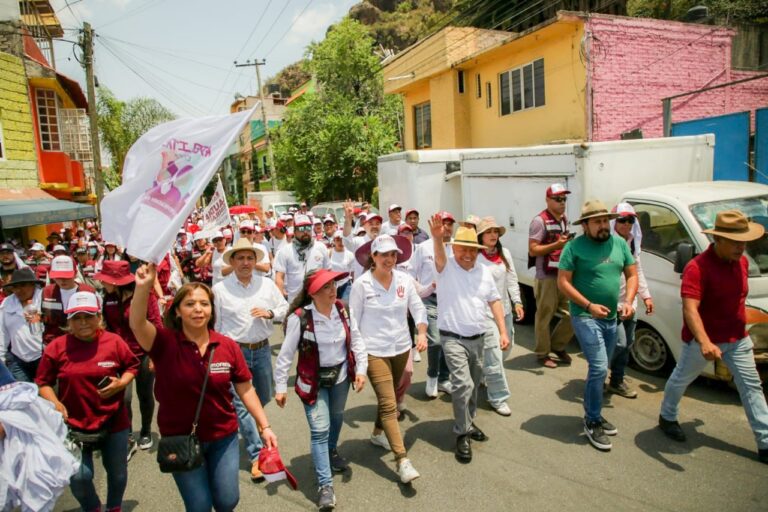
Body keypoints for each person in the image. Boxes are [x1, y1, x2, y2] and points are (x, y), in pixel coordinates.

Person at [129, 263, 278, 512]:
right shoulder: (163, 343)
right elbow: (137, 324)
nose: (198, 309)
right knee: (198, 506)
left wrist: (265, 426)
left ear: (212, 310)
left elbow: (246, 389)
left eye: (204, 304)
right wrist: (143, 288)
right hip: (179, 438)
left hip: (223, 437)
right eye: (189, 304)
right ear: (177, 311)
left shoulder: (227, 346)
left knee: (227, 501)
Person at [657, 210, 768, 464]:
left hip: (738, 340)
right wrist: (705, 341)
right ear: (718, 240)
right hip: (702, 341)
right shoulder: (697, 268)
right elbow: (690, 309)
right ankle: (667, 416)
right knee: (681, 379)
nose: (742, 247)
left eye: (744, 241)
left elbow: (737, 298)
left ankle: (765, 442)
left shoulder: (740, 261)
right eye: (736, 242)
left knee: (752, 388)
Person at [36, 291, 140, 512]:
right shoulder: (57, 347)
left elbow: (132, 366)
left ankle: (113, 507)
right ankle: (92, 507)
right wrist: (54, 402)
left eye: (88, 316)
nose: (83, 322)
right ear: (68, 321)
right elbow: (43, 382)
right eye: (76, 317)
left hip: (114, 420)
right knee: (79, 477)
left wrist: (122, 383)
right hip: (73, 423)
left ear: (98, 317)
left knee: (117, 473)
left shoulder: (114, 342)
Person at [275, 269, 367, 510]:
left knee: (336, 419)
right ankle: (325, 486)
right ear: (313, 293)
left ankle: (331, 451)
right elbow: (285, 355)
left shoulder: (344, 310)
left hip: (340, 378)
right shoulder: (300, 317)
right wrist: (280, 386)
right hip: (312, 382)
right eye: (326, 287)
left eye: (334, 285)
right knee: (319, 430)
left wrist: (361, 370)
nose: (333, 290)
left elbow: (356, 340)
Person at [557, 200, 637, 452]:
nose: (603, 226)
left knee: (602, 366)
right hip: (585, 315)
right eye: (597, 222)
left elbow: (632, 274)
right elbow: (563, 283)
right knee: (600, 367)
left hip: (612, 317)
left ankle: (595, 413)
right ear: (585, 225)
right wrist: (589, 305)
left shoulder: (620, 244)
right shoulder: (573, 247)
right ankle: (592, 421)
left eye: (605, 220)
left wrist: (629, 300)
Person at [428, 216, 509, 464]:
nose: (467, 254)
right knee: (463, 385)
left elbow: (494, 300)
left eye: (472, 249)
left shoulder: (483, 271)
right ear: (454, 248)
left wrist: (503, 330)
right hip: (453, 338)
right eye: (463, 248)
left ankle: (468, 422)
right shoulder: (445, 267)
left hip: (479, 338)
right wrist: (436, 237)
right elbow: (440, 256)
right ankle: (462, 434)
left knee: (473, 387)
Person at [349, 234, 427, 483]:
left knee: (390, 396)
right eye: (384, 255)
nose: (390, 259)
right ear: (373, 257)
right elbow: (353, 322)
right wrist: (360, 360)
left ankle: (377, 433)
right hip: (374, 351)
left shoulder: (404, 279)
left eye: (393, 254)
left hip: (402, 347)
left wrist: (422, 333)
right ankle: (402, 460)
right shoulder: (361, 285)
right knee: (389, 401)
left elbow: (417, 308)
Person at [212, 238, 288, 481]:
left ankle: (255, 426)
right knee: (243, 404)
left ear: (256, 261)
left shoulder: (266, 285)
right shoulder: (220, 290)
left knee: (263, 396)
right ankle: (257, 454)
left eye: (250, 258)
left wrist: (271, 313)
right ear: (232, 261)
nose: (245, 263)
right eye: (240, 258)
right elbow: (214, 324)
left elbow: (285, 307)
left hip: (263, 350)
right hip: (234, 352)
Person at [95, 260, 163, 458]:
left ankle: (145, 431)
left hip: (142, 353)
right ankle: (127, 437)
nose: (102, 283)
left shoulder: (144, 296)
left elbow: (156, 324)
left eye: (105, 280)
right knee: (123, 398)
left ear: (116, 282)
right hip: (118, 357)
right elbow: (106, 327)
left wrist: (155, 354)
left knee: (144, 395)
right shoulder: (106, 298)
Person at [476, 217, 524, 417]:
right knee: (494, 354)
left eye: (495, 231)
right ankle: (497, 397)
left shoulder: (505, 254)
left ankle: (484, 371)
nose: (493, 235)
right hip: (484, 313)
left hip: (504, 311)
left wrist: (517, 301)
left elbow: (512, 278)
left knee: (507, 348)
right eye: (489, 232)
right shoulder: (475, 257)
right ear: (480, 236)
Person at [608, 203, 654, 399]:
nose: (626, 224)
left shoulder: (633, 242)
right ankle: (598, 374)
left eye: (630, 220)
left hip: (630, 303)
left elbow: (637, 272)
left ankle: (617, 380)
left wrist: (646, 295)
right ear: (614, 222)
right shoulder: (607, 243)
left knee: (627, 344)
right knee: (618, 343)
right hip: (612, 304)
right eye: (622, 220)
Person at [528, 183, 575, 368]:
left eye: (564, 199)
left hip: (563, 274)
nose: (562, 202)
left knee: (572, 313)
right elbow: (533, 250)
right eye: (558, 199)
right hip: (546, 276)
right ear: (548, 200)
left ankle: (557, 345)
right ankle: (542, 353)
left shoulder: (564, 218)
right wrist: (556, 245)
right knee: (544, 316)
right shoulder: (539, 221)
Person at [410, 211, 455, 398]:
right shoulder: (424, 248)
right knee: (435, 340)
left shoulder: (456, 248)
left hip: (451, 300)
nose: (447, 227)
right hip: (429, 299)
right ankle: (432, 376)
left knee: (448, 341)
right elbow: (411, 273)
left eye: (450, 224)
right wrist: (420, 291)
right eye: (443, 223)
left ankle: (444, 379)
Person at [0, 269, 45, 382]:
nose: (19, 290)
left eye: (23, 285)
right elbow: (2, 332)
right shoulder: (7, 303)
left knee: (46, 394)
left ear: (33, 284)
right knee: (24, 395)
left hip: (43, 358)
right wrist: (1, 358)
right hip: (18, 360)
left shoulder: (44, 298)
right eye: (15, 287)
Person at [274, 214, 330, 303]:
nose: (305, 232)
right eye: (301, 229)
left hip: (318, 301)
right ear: (295, 231)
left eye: (308, 228)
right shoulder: (285, 251)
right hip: (295, 302)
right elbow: (279, 277)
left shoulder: (321, 247)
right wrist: (281, 302)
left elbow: (328, 273)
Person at [42, 255, 96, 346]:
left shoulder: (89, 291)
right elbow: (40, 317)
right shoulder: (46, 292)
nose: (62, 280)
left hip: (82, 343)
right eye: (58, 277)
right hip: (54, 343)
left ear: (75, 273)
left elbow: (98, 319)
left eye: (67, 276)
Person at [329, 230, 354, 302]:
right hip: (333, 285)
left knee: (345, 306)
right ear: (334, 241)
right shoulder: (329, 252)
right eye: (338, 240)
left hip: (346, 285)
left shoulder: (350, 254)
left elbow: (352, 272)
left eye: (342, 239)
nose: (341, 242)